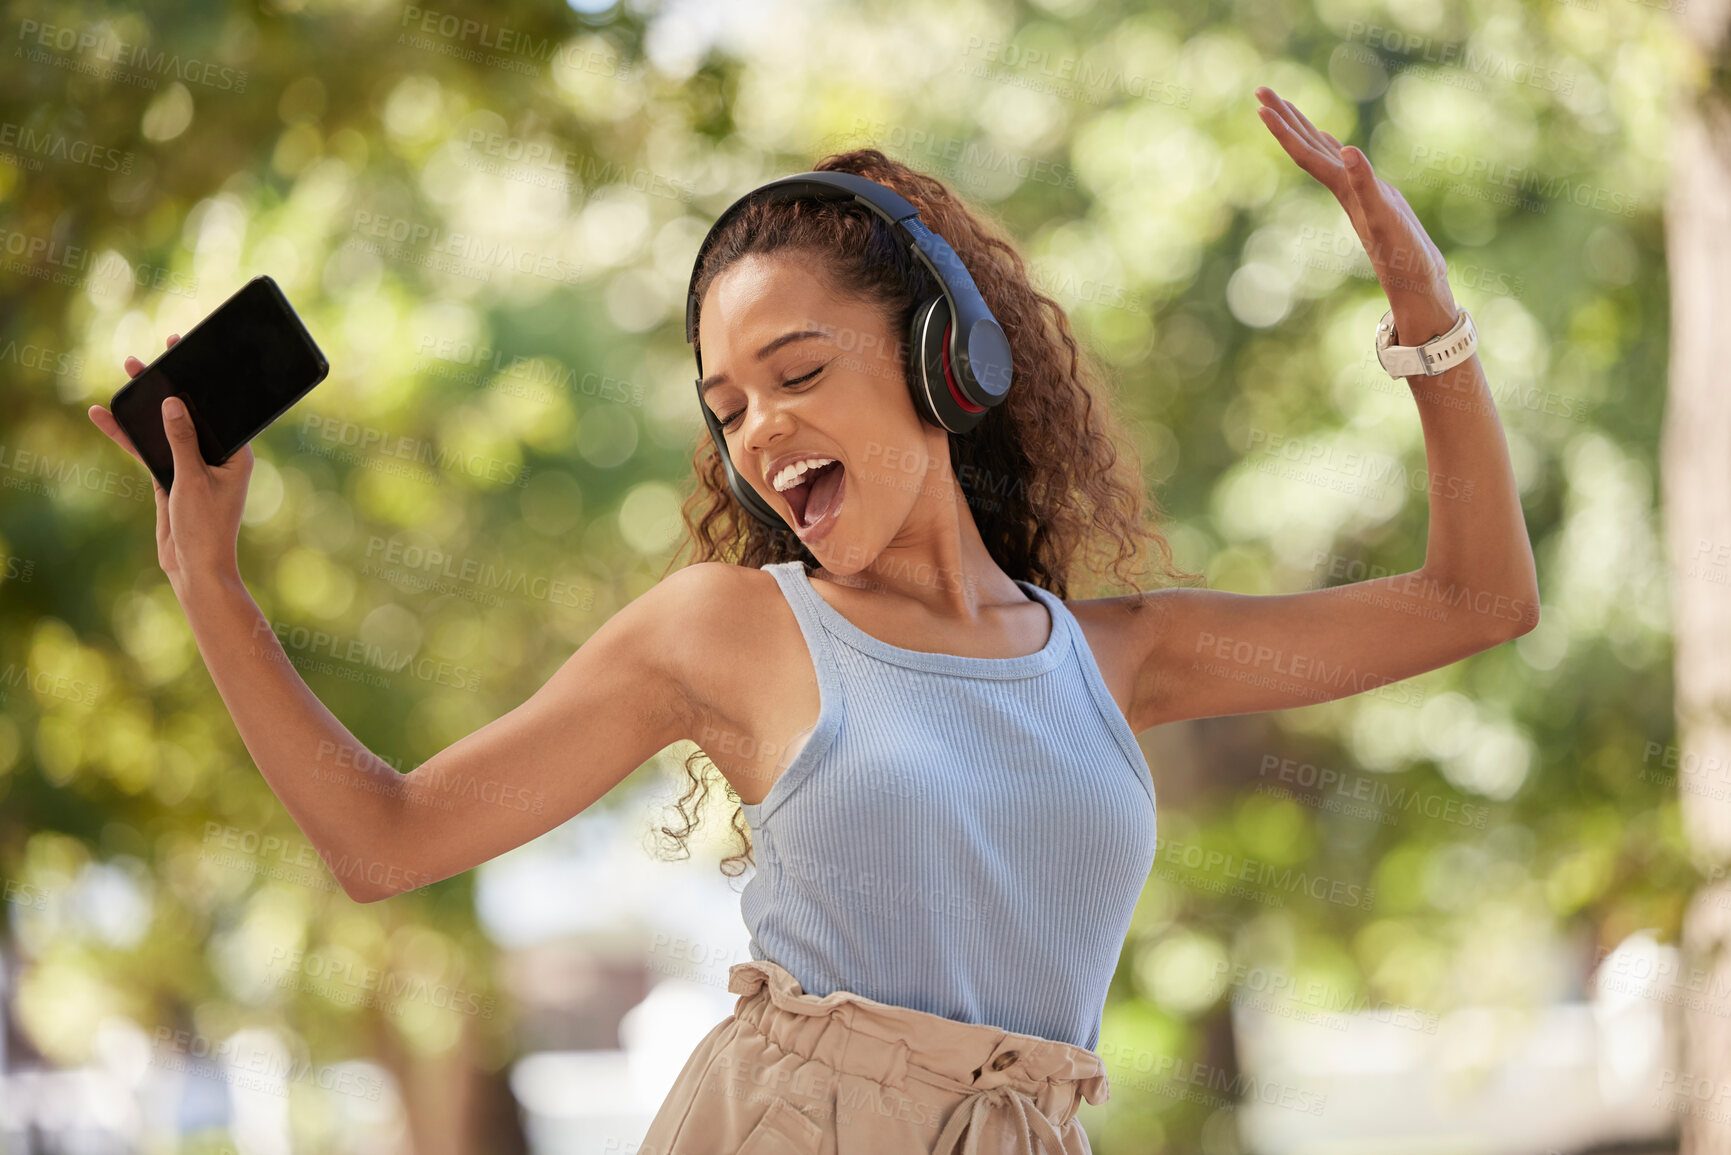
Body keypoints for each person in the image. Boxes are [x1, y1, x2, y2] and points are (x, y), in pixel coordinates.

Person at [88, 87, 1538, 1153]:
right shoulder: (730, 632)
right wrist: (210, 586)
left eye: (796, 372)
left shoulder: (1115, 659)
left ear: (942, 357)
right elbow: (386, 839)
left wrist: (1426, 312)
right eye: (728, 409)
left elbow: (1478, 600)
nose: (761, 434)